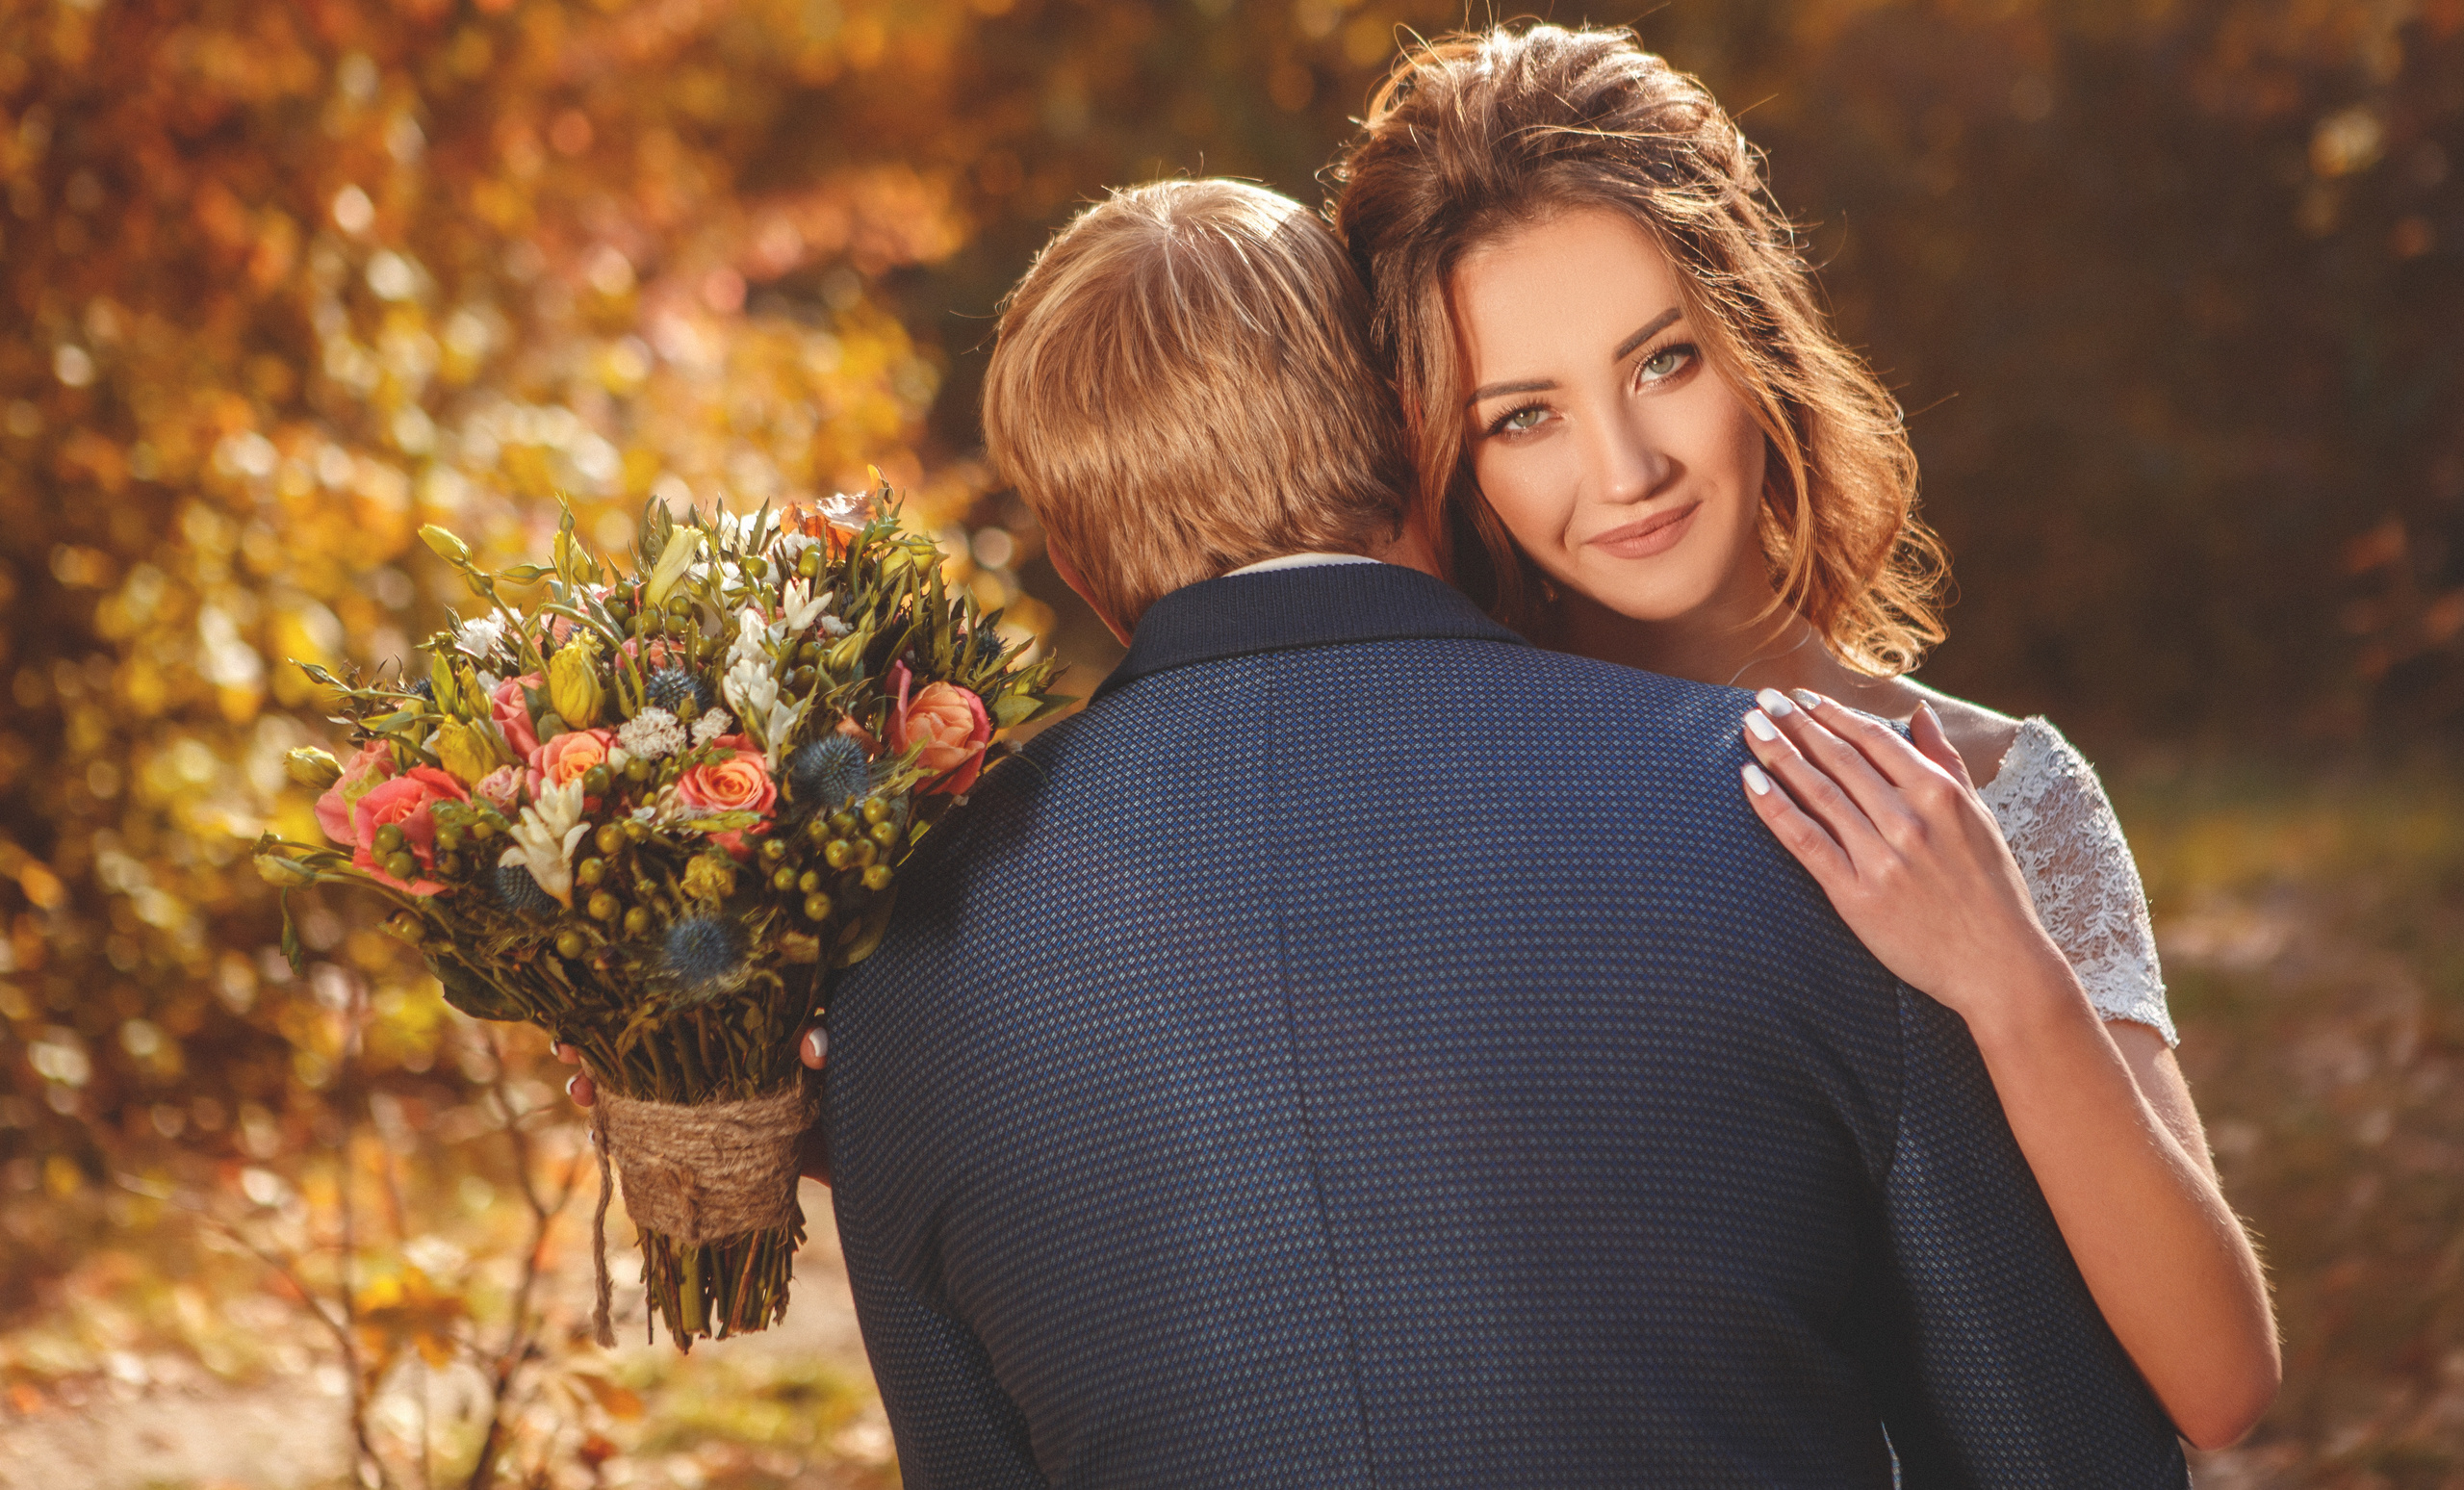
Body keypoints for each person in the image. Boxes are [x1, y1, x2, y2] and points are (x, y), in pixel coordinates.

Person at [812, 175, 2190, 1485]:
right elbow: (2065, 1456)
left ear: (1080, 568)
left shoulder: (894, 981)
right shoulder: (1812, 812)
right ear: (1418, 441)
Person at [1325, 21, 2277, 1448]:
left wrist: (2006, 977)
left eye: (1659, 364)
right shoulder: (1438, 812)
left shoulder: (2005, 787)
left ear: (1751, 333)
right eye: (1525, 416)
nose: (1627, 470)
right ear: (1448, 459)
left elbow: (2222, 1388)